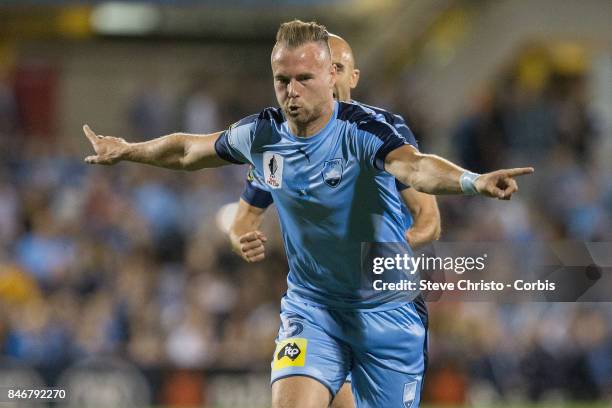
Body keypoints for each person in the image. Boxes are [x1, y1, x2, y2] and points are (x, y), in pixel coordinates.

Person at [83, 20, 533, 408]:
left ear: (331, 75)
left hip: (387, 312)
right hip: (313, 307)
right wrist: (127, 151)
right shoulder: (263, 136)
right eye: (282, 80)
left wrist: (473, 181)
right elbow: (188, 150)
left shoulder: (365, 131)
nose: (291, 91)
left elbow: (417, 168)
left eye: (304, 78)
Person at [227, 33, 441, 408]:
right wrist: (240, 236)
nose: (331, 77)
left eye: (338, 69)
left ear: (349, 77)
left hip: (382, 308)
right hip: (316, 306)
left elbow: (428, 218)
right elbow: (244, 217)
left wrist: (393, 251)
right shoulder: (282, 142)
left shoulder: (382, 134)